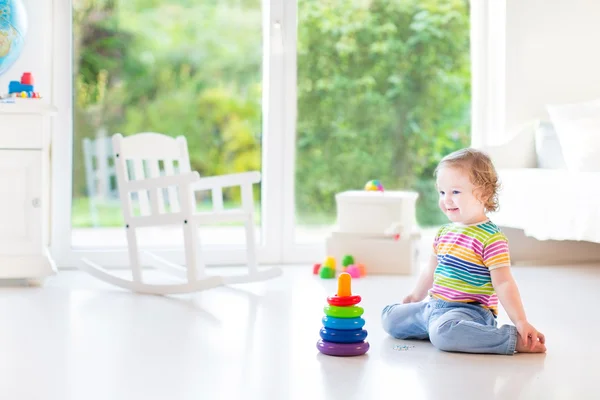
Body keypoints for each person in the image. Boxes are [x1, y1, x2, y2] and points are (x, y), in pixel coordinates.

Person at [381, 148, 546, 354]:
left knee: (444, 334)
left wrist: (521, 321)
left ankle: (509, 339)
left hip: (470, 311)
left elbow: (503, 283)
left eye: (455, 192)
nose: (446, 199)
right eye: (442, 192)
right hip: (434, 306)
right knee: (389, 317)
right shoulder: (443, 232)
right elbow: (430, 271)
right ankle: (441, 330)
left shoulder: (491, 238)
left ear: (483, 194)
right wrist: (415, 296)